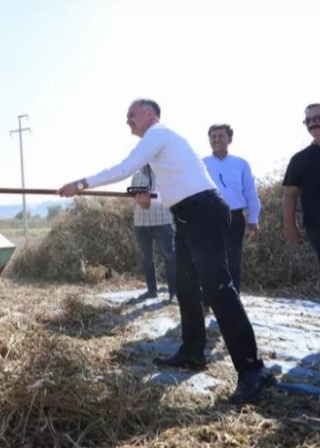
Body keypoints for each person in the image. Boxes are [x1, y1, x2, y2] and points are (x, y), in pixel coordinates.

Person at [56, 98, 275, 405]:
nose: (128, 120)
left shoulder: (158, 133)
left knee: (218, 290)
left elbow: (124, 168)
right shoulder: (164, 147)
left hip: (204, 212)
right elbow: (178, 191)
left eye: (131, 115)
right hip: (187, 214)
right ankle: (192, 352)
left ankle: (254, 371)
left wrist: (80, 184)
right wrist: (150, 201)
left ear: (149, 114)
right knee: (186, 288)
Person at [203, 124, 261, 294]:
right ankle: (208, 300)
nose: (217, 140)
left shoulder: (241, 164)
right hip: (209, 218)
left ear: (230, 139)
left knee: (233, 260)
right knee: (209, 260)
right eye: (213, 136)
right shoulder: (202, 164)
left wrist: (253, 218)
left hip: (234, 217)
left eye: (221, 136)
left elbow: (250, 192)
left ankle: (233, 300)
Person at [282, 103, 320, 279]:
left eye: (317, 118)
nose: (313, 123)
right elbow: (290, 194)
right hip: (316, 225)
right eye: (308, 120)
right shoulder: (300, 159)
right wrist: (290, 224)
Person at [130, 165, 177, 302]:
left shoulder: (164, 172)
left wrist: (149, 201)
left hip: (162, 221)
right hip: (140, 222)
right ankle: (152, 291)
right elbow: (134, 197)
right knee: (146, 258)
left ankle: (174, 293)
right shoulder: (136, 175)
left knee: (169, 257)